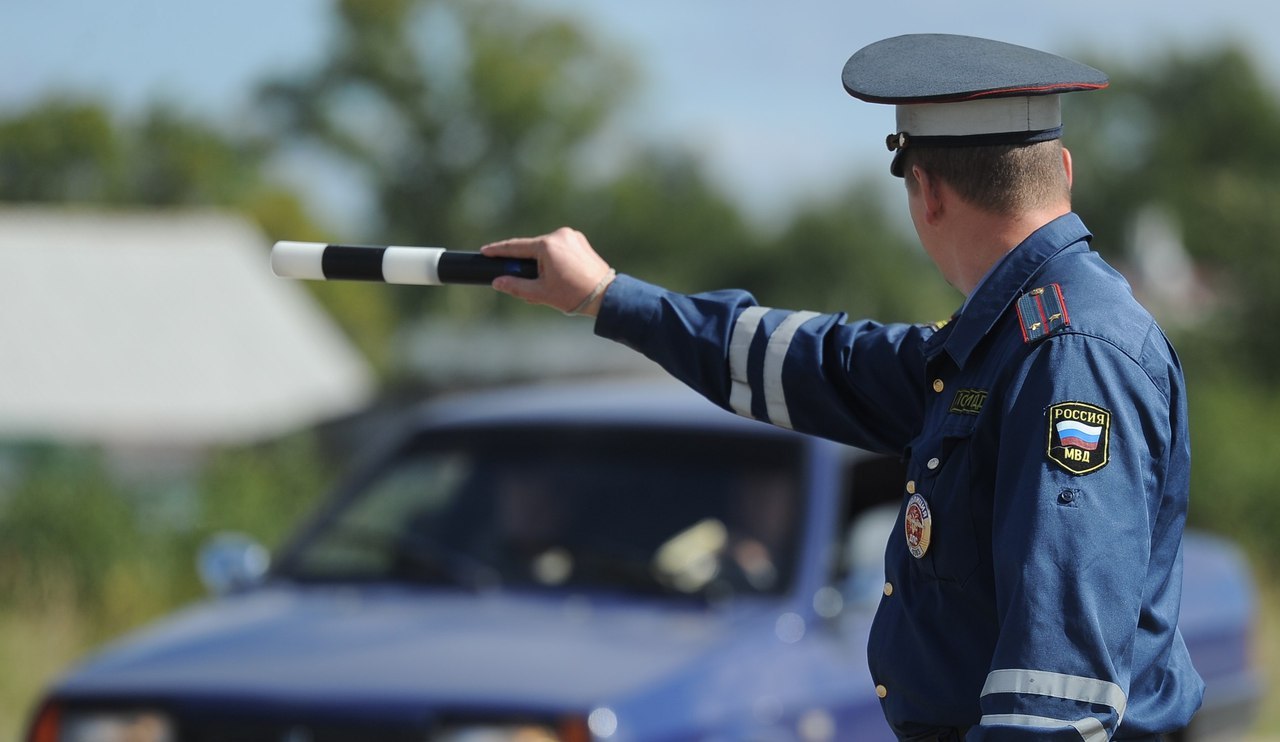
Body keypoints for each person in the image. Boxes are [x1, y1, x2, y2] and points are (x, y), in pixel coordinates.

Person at [479, 33, 1202, 741]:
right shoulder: (1010, 340)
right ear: (1063, 169)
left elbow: (1054, 701)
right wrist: (607, 296)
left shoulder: (1065, 353)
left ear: (925, 190)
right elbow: (819, 363)